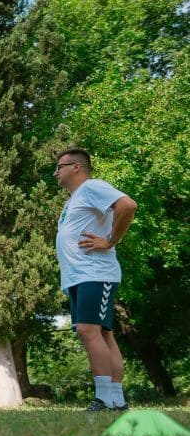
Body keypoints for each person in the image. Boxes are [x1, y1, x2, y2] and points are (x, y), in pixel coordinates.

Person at [54, 147, 137, 412]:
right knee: (102, 333)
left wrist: (111, 240)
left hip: (95, 273)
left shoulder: (92, 187)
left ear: (76, 167)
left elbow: (127, 205)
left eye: (60, 167)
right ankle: (116, 400)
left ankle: (103, 398)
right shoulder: (74, 199)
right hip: (79, 276)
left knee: (88, 330)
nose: (56, 172)